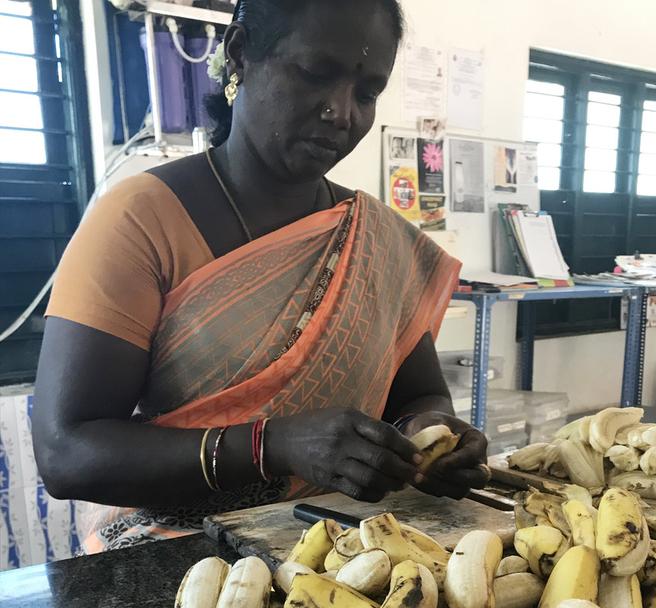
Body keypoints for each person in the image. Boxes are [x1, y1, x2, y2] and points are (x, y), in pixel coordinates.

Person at [33, 0, 487, 553]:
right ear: (242, 53)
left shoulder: (375, 237)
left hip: (344, 553)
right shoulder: (139, 220)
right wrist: (271, 444)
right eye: (316, 74)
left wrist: (433, 438)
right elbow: (66, 453)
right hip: (178, 559)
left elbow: (419, 395)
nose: (343, 112)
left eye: (366, 93)